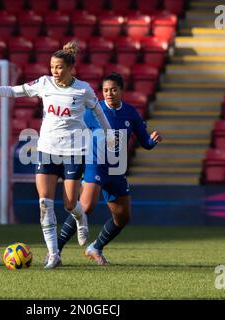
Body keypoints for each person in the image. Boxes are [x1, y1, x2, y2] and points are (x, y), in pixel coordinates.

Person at [0, 41, 114, 269]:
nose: (55, 71)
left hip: (74, 152)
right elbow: (16, 90)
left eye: (59, 67)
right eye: (52, 66)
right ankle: (53, 254)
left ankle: (81, 218)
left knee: (70, 205)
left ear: (71, 68)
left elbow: (98, 111)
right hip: (47, 150)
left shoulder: (83, 90)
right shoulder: (44, 83)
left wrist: (109, 134)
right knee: (44, 203)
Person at [55, 72, 163, 265]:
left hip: (117, 170)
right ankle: (55, 251)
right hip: (94, 165)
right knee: (86, 207)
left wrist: (152, 141)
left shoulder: (130, 112)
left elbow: (144, 142)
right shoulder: (92, 111)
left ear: (121, 90)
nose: (109, 93)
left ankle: (95, 247)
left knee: (122, 217)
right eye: (105, 90)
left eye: (113, 89)